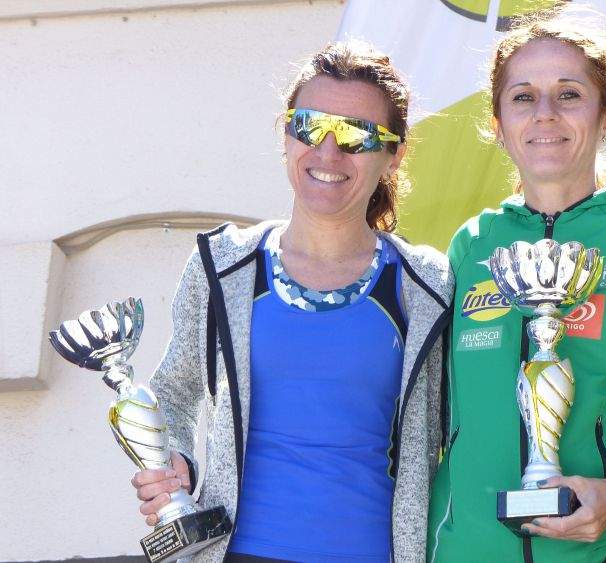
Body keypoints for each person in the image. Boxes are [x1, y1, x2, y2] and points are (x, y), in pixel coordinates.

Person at [129, 42, 453, 562]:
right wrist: (176, 459)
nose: (328, 151)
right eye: (309, 125)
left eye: (357, 133)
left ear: (394, 154)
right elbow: (175, 389)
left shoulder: (427, 284)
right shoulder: (223, 264)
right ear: (286, 134)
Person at [427, 9, 606, 563]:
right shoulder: (472, 246)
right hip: (464, 547)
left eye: (569, 94)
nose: (545, 113)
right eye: (523, 97)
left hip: (605, 549)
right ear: (498, 123)